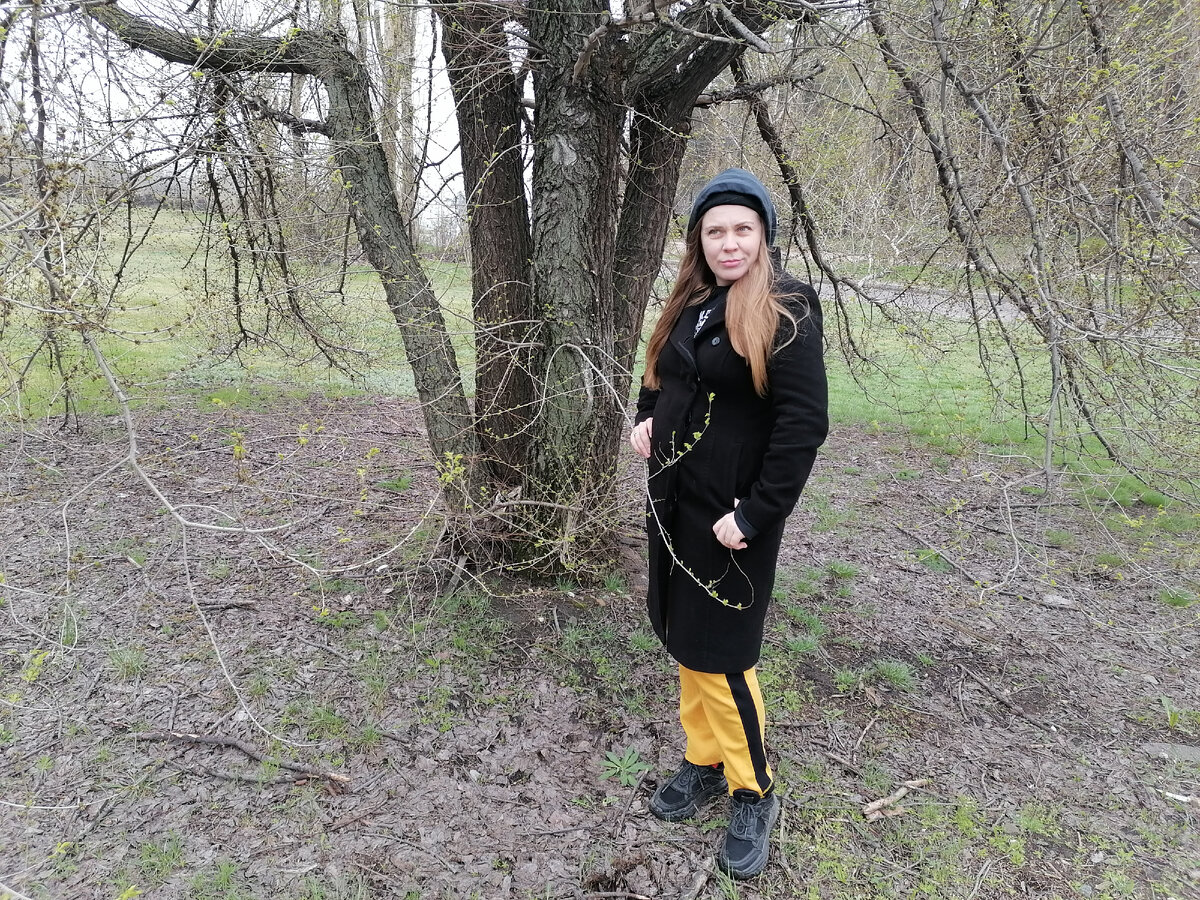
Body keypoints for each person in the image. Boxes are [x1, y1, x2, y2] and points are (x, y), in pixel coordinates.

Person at [629, 168, 828, 879]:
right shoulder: (691, 299)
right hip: (674, 504)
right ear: (700, 240)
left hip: (731, 519)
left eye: (743, 228)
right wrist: (645, 420)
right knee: (686, 639)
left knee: (722, 654)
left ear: (764, 235)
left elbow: (803, 425)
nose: (730, 242)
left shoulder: (786, 306)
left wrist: (755, 513)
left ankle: (754, 788)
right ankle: (705, 760)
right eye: (716, 231)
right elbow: (661, 378)